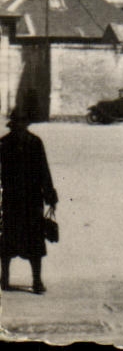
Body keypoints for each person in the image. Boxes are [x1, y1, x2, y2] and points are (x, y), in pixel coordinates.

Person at [0, 97, 58, 294]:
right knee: (28, 242)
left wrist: (49, 195)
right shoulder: (32, 142)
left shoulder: (6, 143)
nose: (20, 126)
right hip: (27, 200)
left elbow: (43, 170)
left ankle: (10, 280)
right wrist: (50, 196)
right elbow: (44, 171)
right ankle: (33, 282)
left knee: (12, 241)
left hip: (16, 200)